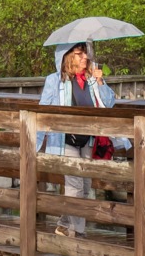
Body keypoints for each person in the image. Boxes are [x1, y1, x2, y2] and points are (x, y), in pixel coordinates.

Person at [37, 41, 127, 238]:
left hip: (88, 139)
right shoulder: (55, 80)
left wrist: (101, 82)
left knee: (85, 186)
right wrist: (35, 143)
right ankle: (76, 232)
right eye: (79, 54)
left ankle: (66, 224)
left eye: (85, 53)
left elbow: (109, 103)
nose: (85, 57)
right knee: (75, 186)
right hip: (64, 139)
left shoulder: (91, 79)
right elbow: (43, 109)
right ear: (68, 57)